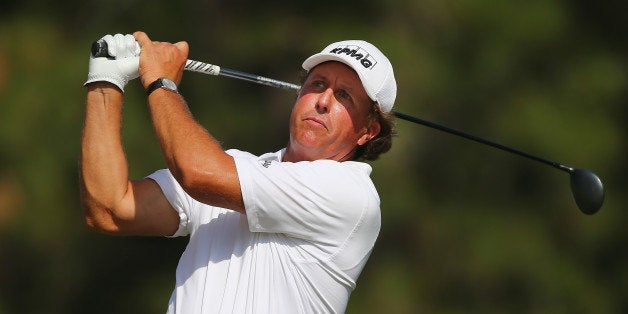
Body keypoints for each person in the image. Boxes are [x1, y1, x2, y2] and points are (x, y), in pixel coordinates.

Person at [80, 31, 397, 314]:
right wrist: (105, 82)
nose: (323, 101)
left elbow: (198, 173)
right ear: (299, 94)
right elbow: (110, 208)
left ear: (368, 131)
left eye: (344, 95)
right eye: (318, 84)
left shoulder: (350, 194)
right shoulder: (234, 168)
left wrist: (161, 82)